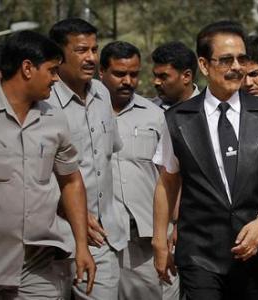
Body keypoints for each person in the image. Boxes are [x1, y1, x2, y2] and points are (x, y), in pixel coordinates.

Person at [152, 20, 258, 299]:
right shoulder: (178, 119)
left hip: (254, 246)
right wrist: (160, 241)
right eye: (226, 60)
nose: (237, 67)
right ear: (204, 65)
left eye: (241, 59)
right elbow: (168, 181)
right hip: (199, 252)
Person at [0, 30, 95, 299]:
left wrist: (82, 246)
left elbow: (71, 181)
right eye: (52, 70)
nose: (55, 78)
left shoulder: (54, 117)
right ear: (27, 68)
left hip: (39, 265)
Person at [48, 18, 123, 300]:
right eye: (81, 50)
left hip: (101, 238)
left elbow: (109, 158)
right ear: (58, 55)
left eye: (94, 49)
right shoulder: (42, 101)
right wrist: (71, 210)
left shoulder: (103, 93)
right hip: (52, 237)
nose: (91, 57)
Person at [100, 40, 180, 300]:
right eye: (120, 74)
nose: (128, 81)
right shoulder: (86, 114)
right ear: (102, 73)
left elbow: (171, 174)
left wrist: (175, 225)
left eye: (133, 74)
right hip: (101, 238)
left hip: (145, 238)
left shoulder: (155, 116)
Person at [151, 41, 199, 110]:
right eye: (155, 76)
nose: (156, 82)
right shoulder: (148, 108)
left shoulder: (208, 111)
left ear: (186, 76)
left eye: (163, 77)